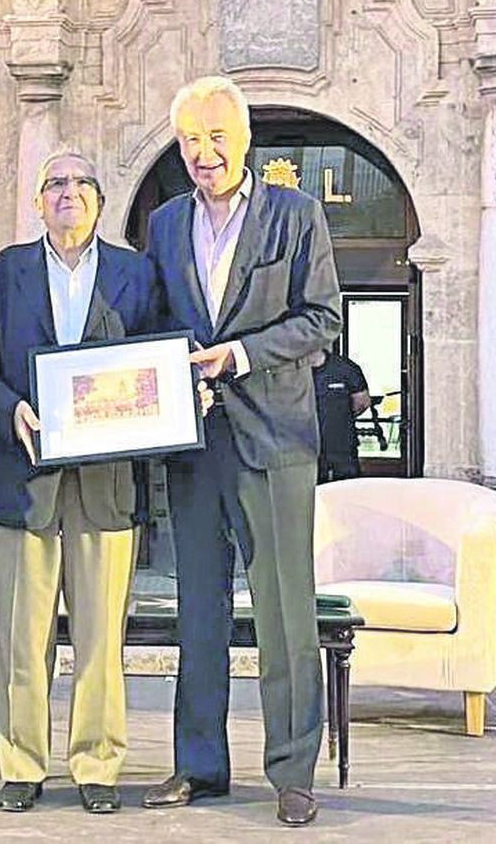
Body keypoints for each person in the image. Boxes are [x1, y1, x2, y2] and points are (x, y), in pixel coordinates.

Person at [141, 76, 343, 827]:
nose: (203, 152)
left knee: (287, 614)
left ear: (246, 137)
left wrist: (241, 355)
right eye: (190, 140)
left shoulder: (298, 215)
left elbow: (322, 318)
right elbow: (155, 319)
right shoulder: (163, 224)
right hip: (193, 446)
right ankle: (199, 766)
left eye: (216, 136)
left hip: (276, 441)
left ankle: (293, 773)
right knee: (198, 610)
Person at [0, 150, 161, 816]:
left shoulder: (137, 273)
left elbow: (158, 360)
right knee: (21, 633)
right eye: (54, 184)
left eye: (79, 183)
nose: (67, 192)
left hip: (106, 483)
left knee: (103, 636)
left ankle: (98, 765)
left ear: (100, 202)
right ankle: (21, 763)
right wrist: (7, 408)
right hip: (24, 476)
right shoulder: (5, 272)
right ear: (37, 202)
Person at [312, 348, 372, 483]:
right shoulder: (289, 372)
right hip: (302, 451)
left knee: (347, 494)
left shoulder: (346, 368)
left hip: (342, 449)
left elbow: (362, 403)